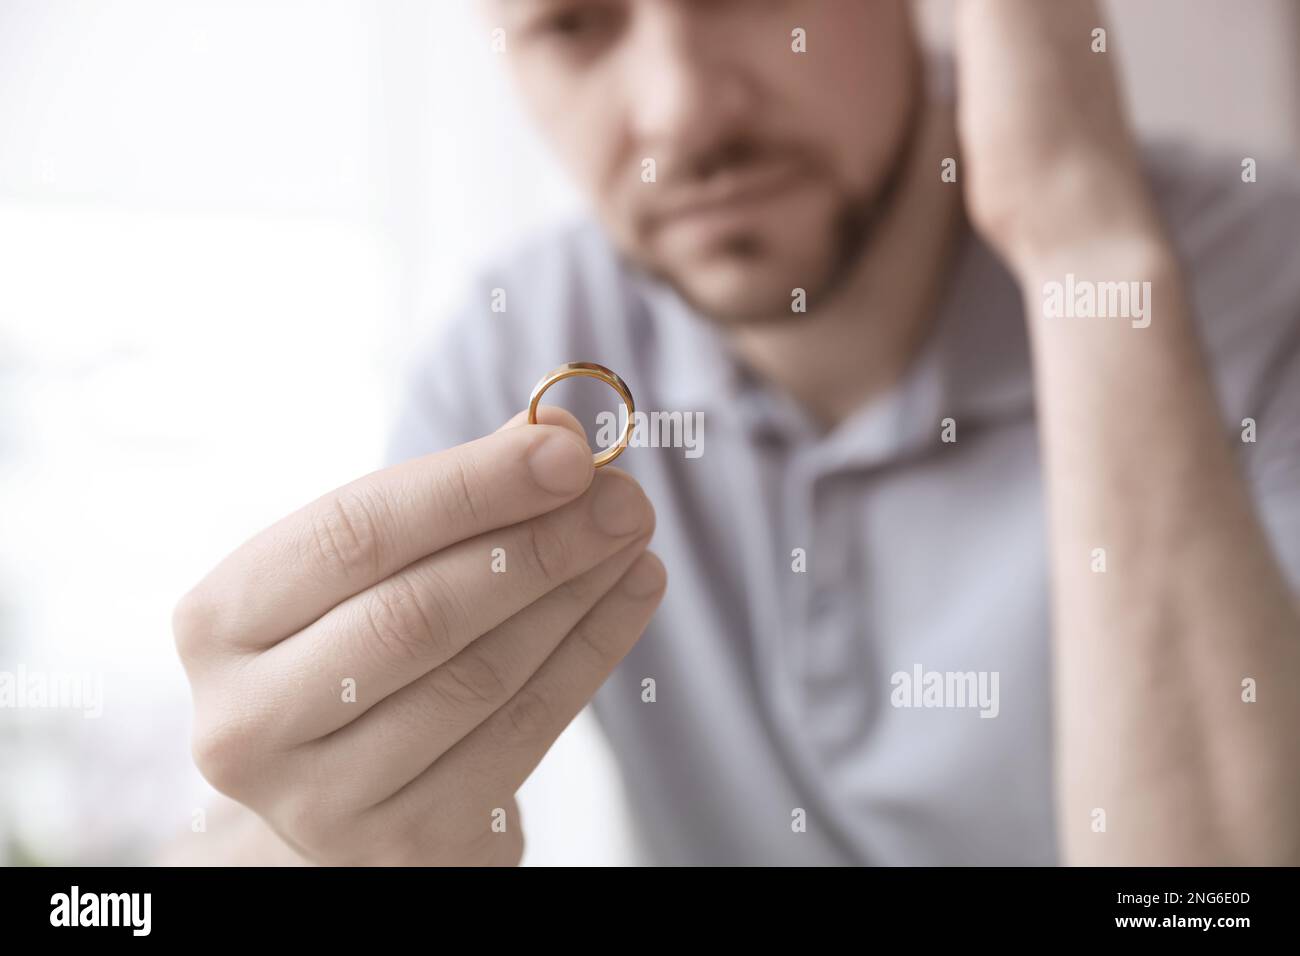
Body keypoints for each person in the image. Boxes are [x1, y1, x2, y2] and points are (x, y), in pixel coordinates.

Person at [169, 0, 1300, 865]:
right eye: (573, 22)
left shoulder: (1268, 289)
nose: (682, 112)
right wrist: (299, 835)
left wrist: (1080, 248)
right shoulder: (514, 358)